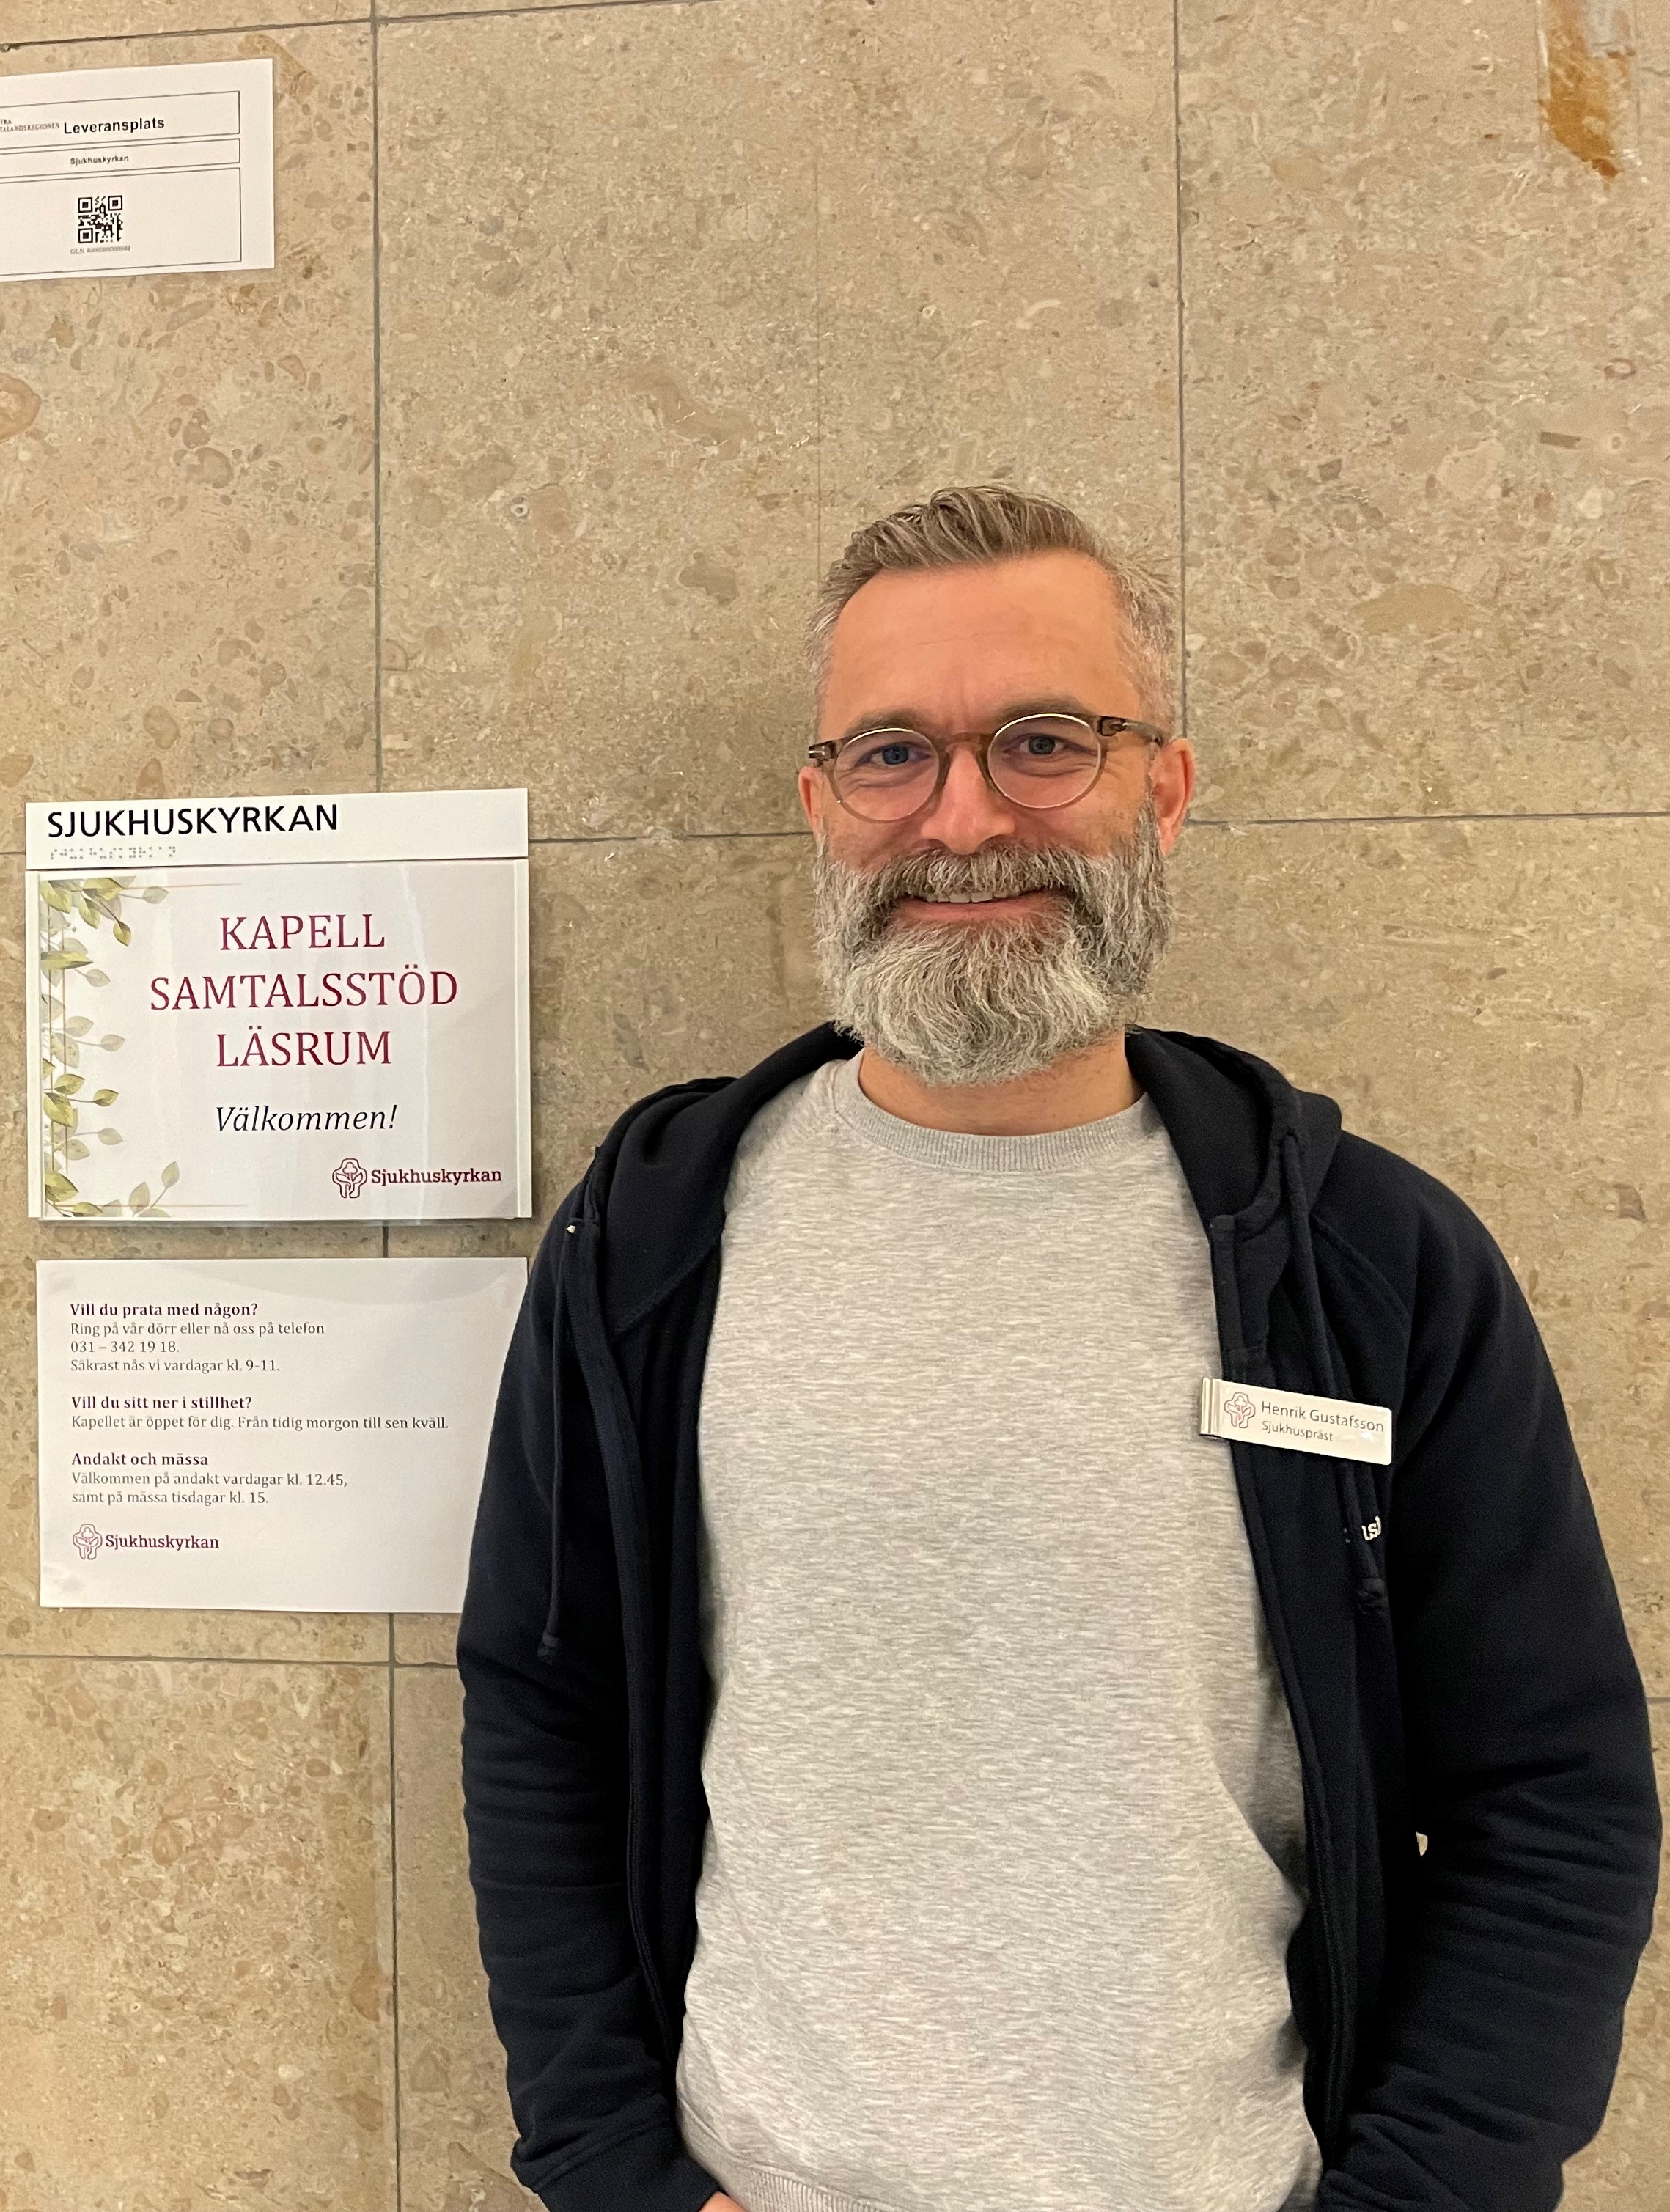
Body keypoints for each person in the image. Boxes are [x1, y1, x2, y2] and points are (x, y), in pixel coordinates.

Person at [458, 485, 1658, 2212]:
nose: (962, 821)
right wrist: (613, 2174)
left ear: (1161, 789)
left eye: (1044, 744)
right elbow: (543, 1707)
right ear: (819, 805)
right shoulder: (651, 1245)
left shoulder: (1368, 1264)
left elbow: (1551, 1798)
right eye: (893, 755)